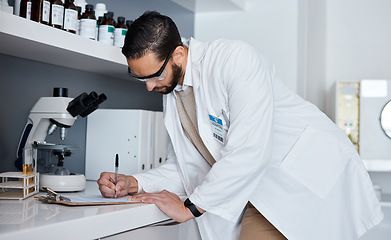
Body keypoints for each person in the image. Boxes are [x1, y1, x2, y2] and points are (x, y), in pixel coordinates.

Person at [97, 11, 383, 240]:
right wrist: (136, 182)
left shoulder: (234, 60)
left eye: (154, 75)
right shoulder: (174, 91)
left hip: (306, 176)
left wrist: (190, 208)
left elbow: (249, 151)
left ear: (179, 55)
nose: (148, 87)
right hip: (258, 189)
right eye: (141, 79)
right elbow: (188, 165)